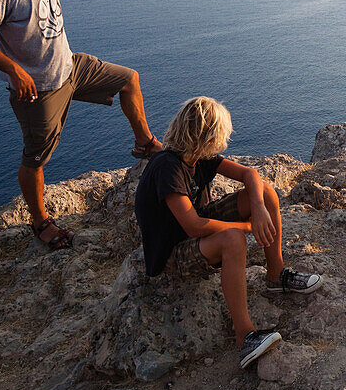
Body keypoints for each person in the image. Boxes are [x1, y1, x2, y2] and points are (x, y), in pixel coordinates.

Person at [0, 0, 164, 251]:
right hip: (39, 90)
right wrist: (14, 70)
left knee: (129, 79)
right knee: (36, 158)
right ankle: (40, 221)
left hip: (70, 68)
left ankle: (144, 143)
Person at [134, 97, 324, 369]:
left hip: (198, 229)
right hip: (172, 252)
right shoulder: (168, 167)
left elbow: (250, 174)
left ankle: (276, 275)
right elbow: (193, 227)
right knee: (233, 239)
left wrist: (258, 209)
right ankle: (244, 336)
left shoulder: (197, 156)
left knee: (266, 193)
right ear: (207, 135)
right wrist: (248, 227)